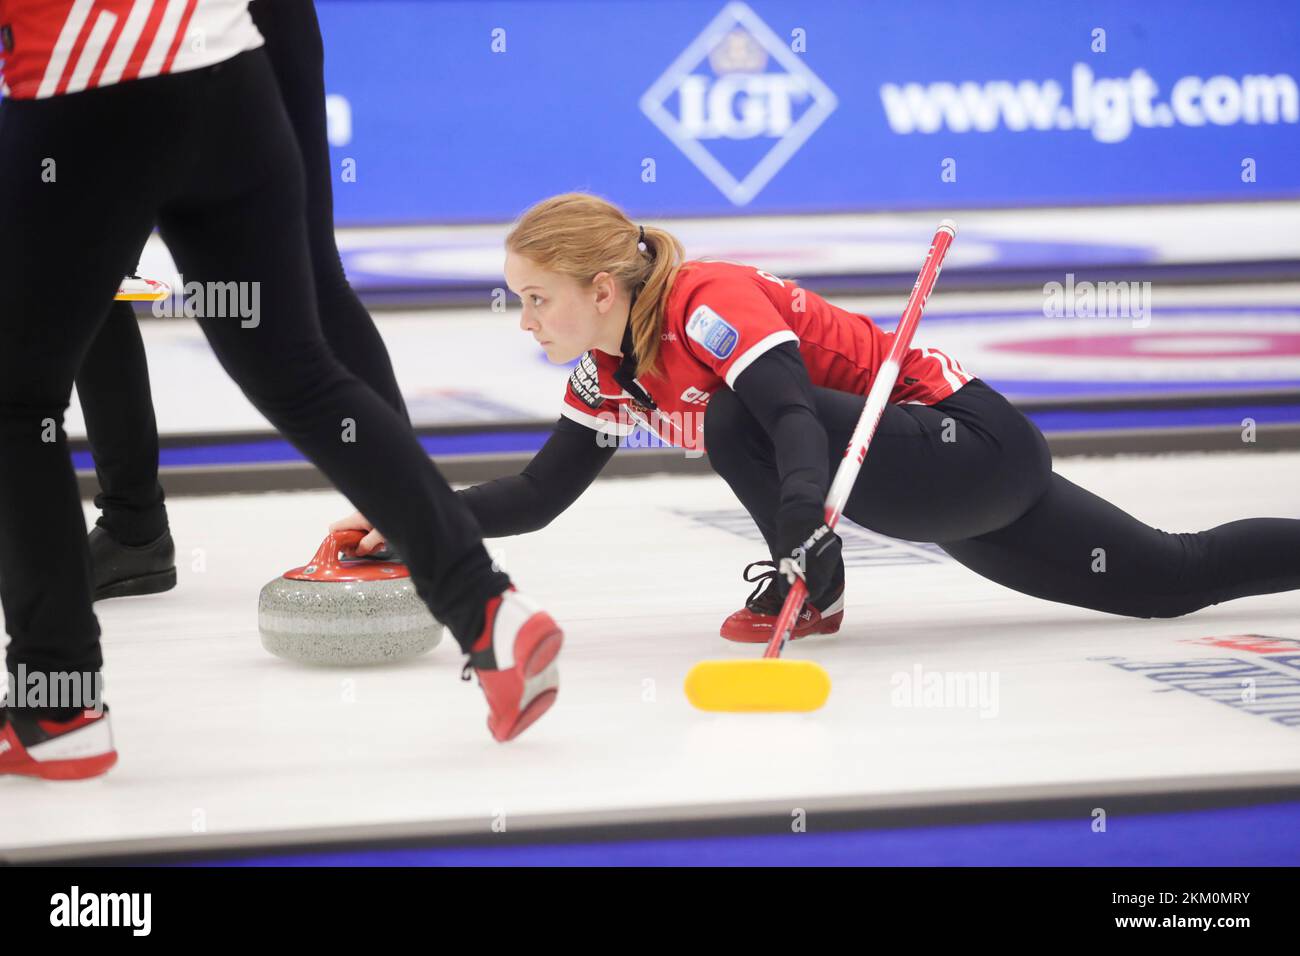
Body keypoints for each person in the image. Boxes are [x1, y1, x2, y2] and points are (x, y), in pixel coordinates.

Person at [0, 0, 559, 783]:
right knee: (299, 368)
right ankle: (485, 606)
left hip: (93, 85)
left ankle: (57, 705)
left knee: (18, 404)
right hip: (231, 70)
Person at [336, 191, 1300, 643]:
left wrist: (803, 531)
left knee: (733, 417)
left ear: (598, 287)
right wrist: (421, 525)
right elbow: (540, 493)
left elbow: (791, 418)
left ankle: (819, 586)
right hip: (928, 495)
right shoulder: (607, 369)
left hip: (969, 448)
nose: (525, 319)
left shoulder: (704, 301)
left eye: (535, 297)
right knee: (1172, 580)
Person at [78, 0, 409, 602]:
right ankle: (132, 528)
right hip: (109, 33)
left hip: (236, 26)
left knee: (306, 270)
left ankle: (405, 509)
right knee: (82, 276)